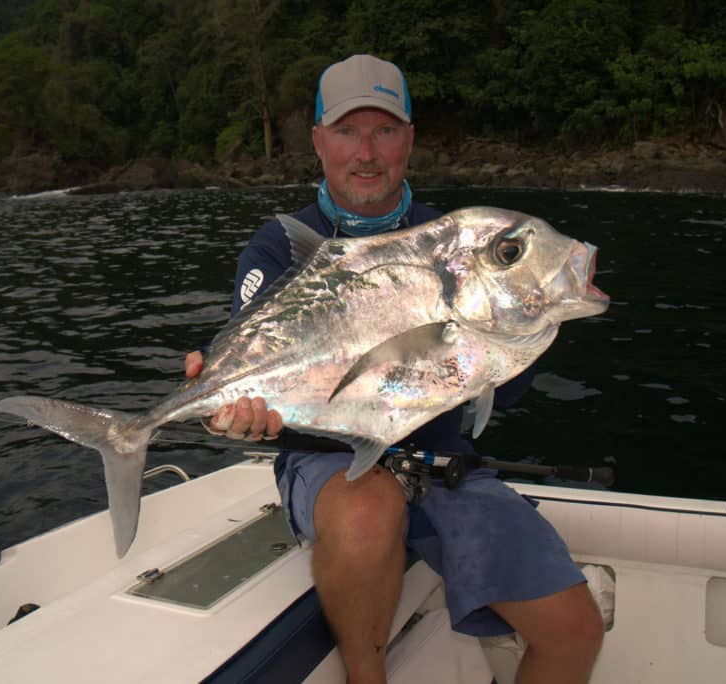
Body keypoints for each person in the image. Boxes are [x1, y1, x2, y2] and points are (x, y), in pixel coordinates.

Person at [185, 54, 603, 684]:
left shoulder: (449, 238)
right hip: (326, 458)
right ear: (319, 141)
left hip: (442, 462)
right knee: (367, 510)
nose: (367, 152)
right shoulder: (279, 245)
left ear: (409, 139)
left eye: (384, 130)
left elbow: (508, 394)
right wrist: (234, 406)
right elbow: (262, 368)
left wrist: (524, 320)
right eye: (349, 131)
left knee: (576, 631)